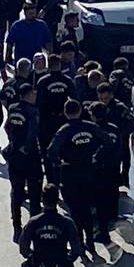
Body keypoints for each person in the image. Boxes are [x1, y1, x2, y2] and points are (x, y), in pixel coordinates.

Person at [46, 99, 109, 247]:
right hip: (88, 171)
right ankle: (90, 240)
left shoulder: (64, 130)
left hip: (70, 173)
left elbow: (51, 150)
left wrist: (59, 162)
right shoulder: (91, 126)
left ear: (65, 113)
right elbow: (107, 142)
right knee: (87, 208)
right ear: (80, 111)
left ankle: (79, 241)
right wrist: (96, 157)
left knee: (74, 209)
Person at [5, 82, 44, 239]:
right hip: (30, 157)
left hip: (14, 154)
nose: (35, 96)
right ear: (28, 95)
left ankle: (17, 227)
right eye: (33, 93)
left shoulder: (12, 108)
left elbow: (7, 126)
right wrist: (27, 148)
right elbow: (33, 132)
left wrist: (13, 140)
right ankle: (34, 228)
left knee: (17, 192)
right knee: (34, 193)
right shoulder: (32, 111)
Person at [94, 82, 134, 223]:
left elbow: (132, 123)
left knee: (113, 179)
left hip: (118, 148)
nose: (103, 101)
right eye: (101, 98)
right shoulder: (97, 108)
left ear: (111, 95)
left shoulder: (119, 108)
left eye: (106, 98)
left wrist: (119, 135)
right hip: (102, 150)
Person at [88, 100, 123, 241]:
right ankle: (112, 220)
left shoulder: (94, 130)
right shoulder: (114, 128)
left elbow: (92, 150)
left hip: (99, 171)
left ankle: (103, 232)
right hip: (113, 168)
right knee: (112, 195)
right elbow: (119, 148)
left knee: (99, 201)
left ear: (93, 115)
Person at [37, 54, 77, 151]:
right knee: (64, 146)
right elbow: (74, 100)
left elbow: (39, 103)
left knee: (48, 146)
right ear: (60, 64)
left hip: (47, 119)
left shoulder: (42, 81)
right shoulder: (68, 80)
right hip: (63, 118)